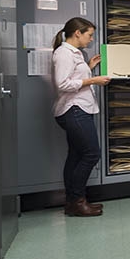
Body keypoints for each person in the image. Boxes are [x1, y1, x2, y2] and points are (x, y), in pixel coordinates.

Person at [52, 17, 111, 217]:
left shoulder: (74, 54)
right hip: (74, 110)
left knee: (76, 156)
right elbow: (62, 84)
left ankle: (72, 202)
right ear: (77, 33)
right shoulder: (64, 53)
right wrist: (93, 79)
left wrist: (88, 66)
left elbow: (73, 78)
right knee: (92, 154)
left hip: (78, 109)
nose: (91, 39)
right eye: (89, 35)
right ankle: (78, 201)